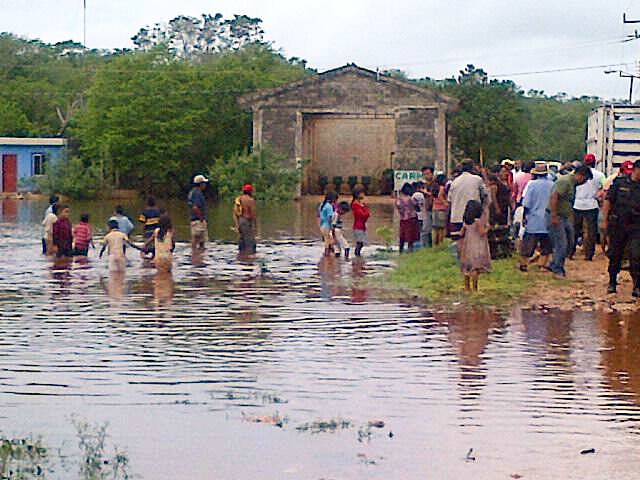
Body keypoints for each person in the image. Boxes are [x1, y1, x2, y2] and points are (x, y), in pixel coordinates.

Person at [602, 159, 640, 296]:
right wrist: (604, 220)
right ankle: (612, 282)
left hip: (636, 226)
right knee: (615, 255)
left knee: (636, 256)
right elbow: (608, 201)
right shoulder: (619, 183)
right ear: (636, 169)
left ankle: (637, 286)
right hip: (618, 224)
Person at [547, 165, 593, 277]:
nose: (584, 182)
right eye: (585, 179)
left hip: (564, 216)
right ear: (580, 175)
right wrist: (553, 215)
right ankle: (557, 268)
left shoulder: (572, 184)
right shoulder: (565, 182)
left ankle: (555, 263)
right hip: (557, 216)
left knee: (570, 240)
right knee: (561, 243)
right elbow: (554, 196)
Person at [519, 163, 554, 272]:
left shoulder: (532, 185)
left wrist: (524, 217)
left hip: (534, 219)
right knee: (546, 245)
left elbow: (527, 203)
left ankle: (524, 264)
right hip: (547, 219)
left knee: (528, 244)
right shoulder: (552, 185)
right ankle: (542, 265)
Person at [571, 154, 605, 261]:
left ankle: (570, 252)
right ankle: (589, 254)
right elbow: (605, 187)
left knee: (574, 230)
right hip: (592, 204)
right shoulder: (600, 175)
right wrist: (598, 195)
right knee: (591, 232)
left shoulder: (576, 173)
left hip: (577, 204)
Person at [448, 159, 490, 238]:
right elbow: (486, 195)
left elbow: (449, 200)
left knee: (459, 245)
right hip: (472, 219)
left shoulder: (454, 182)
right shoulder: (477, 180)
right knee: (472, 244)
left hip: (456, 217)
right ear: (472, 168)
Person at [458, 199, 491, 292]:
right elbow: (481, 232)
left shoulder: (466, 221)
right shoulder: (478, 221)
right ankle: (475, 288)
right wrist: (487, 228)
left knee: (467, 268)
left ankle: (467, 287)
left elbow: (461, 233)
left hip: (467, 245)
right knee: (475, 268)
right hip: (478, 246)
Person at [488, 165, 513, 259]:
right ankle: (494, 251)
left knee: (504, 229)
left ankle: (505, 250)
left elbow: (509, 196)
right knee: (495, 229)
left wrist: (511, 206)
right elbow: (493, 197)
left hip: (505, 208)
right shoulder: (495, 184)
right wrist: (496, 207)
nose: (505, 174)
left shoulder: (506, 183)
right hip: (497, 209)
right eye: (503, 172)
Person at [233, 184, 258, 254]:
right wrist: (255, 226)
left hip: (240, 220)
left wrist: (237, 224)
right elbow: (253, 214)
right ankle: (249, 257)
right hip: (247, 222)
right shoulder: (251, 200)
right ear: (250, 191)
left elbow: (235, 213)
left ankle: (241, 256)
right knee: (250, 243)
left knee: (242, 241)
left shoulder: (239, 199)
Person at [396, 183, 419, 253]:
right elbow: (418, 207)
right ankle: (410, 250)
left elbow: (399, 208)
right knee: (410, 236)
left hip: (402, 219)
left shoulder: (398, 200)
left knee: (402, 236)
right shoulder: (411, 199)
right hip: (411, 219)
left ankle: (401, 251)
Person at [187, 175, 209, 251]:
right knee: (197, 239)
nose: (205, 185)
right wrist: (201, 218)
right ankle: (195, 256)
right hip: (198, 220)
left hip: (195, 219)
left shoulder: (192, 192)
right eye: (204, 183)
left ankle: (198, 255)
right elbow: (195, 207)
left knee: (200, 241)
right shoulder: (197, 193)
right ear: (200, 184)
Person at [351, 186, 370, 257]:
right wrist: (364, 208)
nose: (364, 195)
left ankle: (358, 257)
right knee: (360, 243)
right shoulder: (355, 204)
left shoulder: (360, 204)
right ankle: (357, 257)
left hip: (361, 226)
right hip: (358, 226)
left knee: (361, 243)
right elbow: (362, 215)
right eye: (362, 193)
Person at [431, 174, 449, 246]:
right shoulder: (442, 188)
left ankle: (435, 244)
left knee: (435, 229)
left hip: (434, 208)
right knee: (441, 228)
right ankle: (440, 244)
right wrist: (445, 203)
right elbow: (440, 196)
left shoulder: (435, 187)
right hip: (441, 209)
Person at [319, 191, 337, 256]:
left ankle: (328, 257)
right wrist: (332, 228)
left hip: (322, 226)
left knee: (328, 241)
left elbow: (319, 216)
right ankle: (327, 257)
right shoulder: (329, 206)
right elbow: (330, 218)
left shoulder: (322, 205)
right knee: (329, 243)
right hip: (327, 226)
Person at [411, 182, 427, 247]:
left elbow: (413, 204)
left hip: (418, 215)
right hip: (422, 215)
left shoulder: (416, 194)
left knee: (418, 231)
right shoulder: (421, 195)